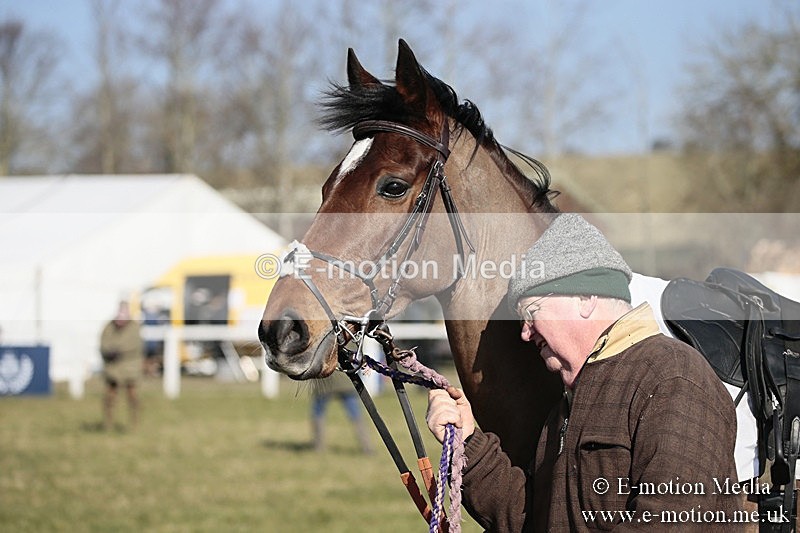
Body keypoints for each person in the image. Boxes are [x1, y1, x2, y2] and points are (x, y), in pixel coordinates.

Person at [426, 213, 741, 531]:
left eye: (532, 312)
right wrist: (466, 440)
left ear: (585, 298)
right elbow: (534, 519)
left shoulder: (673, 379)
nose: (525, 332)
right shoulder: (572, 398)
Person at [99, 300, 144, 431]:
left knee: (133, 397)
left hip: (130, 367)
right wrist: (109, 351)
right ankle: (108, 424)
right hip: (113, 368)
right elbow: (103, 343)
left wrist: (119, 350)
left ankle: (134, 424)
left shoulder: (134, 327)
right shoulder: (109, 327)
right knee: (109, 397)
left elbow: (135, 345)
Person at [311, 372, 373, 454]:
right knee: (356, 415)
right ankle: (367, 447)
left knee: (318, 414)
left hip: (324, 382)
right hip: (344, 382)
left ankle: (319, 447)